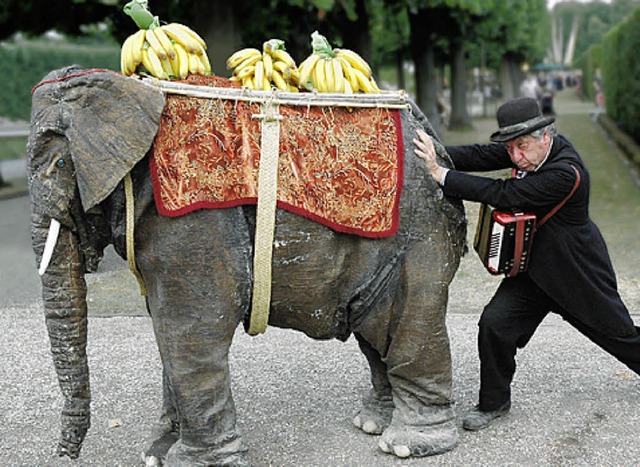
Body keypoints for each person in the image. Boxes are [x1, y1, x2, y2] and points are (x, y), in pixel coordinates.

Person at [413, 97, 640, 432]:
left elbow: (503, 194)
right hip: (533, 271)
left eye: (522, 147)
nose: (515, 156)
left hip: (576, 273)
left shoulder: (566, 173)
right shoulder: (521, 150)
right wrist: (434, 149)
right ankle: (493, 403)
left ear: (545, 138)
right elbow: (479, 155)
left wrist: (439, 173)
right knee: (494, 325)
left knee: (619, 336)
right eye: (510, 148)